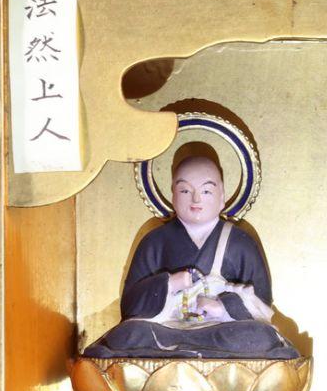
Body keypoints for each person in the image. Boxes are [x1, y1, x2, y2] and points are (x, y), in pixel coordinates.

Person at [83, 153, 298, 359]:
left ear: (222, 196)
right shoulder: (155, 241)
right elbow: (130, 305)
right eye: (185, 190)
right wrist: (169, 284)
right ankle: (192, 354)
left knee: (259, 336)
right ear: (173, 195)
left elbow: (262, 301)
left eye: (206, 191)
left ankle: (179, 355)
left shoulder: (239, 242)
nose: (196, 199)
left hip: (219, 330)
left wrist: (222, 308)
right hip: (165, 329)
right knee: (127, 334)